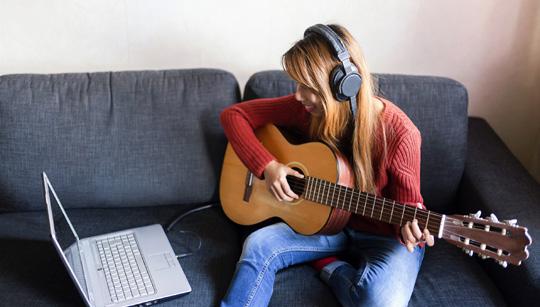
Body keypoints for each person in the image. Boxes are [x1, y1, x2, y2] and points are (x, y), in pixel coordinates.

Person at [219, 24, 435, 307]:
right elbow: (233, 115)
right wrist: (268, 167)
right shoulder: (307, 111)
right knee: (258, 246)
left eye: (308, 87)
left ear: (344, 86)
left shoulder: (401, 134)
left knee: (380, 302)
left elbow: (410, 213)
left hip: (383, 237)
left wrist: (411, 230)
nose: (298, 95)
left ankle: (330, 268)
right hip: (325, 226)